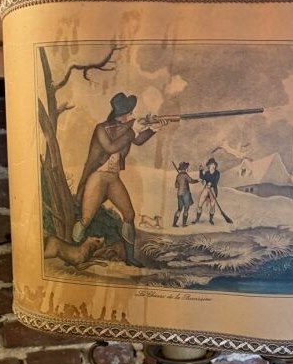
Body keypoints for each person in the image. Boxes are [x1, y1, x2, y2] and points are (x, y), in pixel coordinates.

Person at [72, 92, 167, 267]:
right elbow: (111, 147)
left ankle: (130, 258)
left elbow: (138, 140)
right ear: (122, 115)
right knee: (85, 220)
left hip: (113, 178)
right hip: (98, 178)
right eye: (130, 113)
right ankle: (74, 254)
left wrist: (153, 129)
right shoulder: (101, 129)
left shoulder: (126, 130)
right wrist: (132, 130)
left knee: (129, 215)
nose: (133, 116)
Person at [194, 156, 221, 224]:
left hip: (213, 189)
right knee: (200, 204)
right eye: (211, 164)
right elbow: (202, 177)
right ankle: (197, 219)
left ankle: (211, 220)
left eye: (214, 164)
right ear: (209, 166)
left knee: (212, 206)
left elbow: (216, 181)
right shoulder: (207, 173)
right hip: (206, 189)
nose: (213, 166)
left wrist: (211, 183)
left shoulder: (217, 173)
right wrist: (200, 171)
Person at [172, 162, 199, 227]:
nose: (188, 169)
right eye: (187, 167)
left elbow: (176, 185)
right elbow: (191, 181)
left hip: (179, 194)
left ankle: (174, 224)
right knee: (186, 209)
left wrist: (181, 182)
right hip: (185, 194)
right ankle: (184, 224)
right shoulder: (185, 175)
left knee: (179, 209)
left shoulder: (178, 176)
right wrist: (197, 180)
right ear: (185, 168)